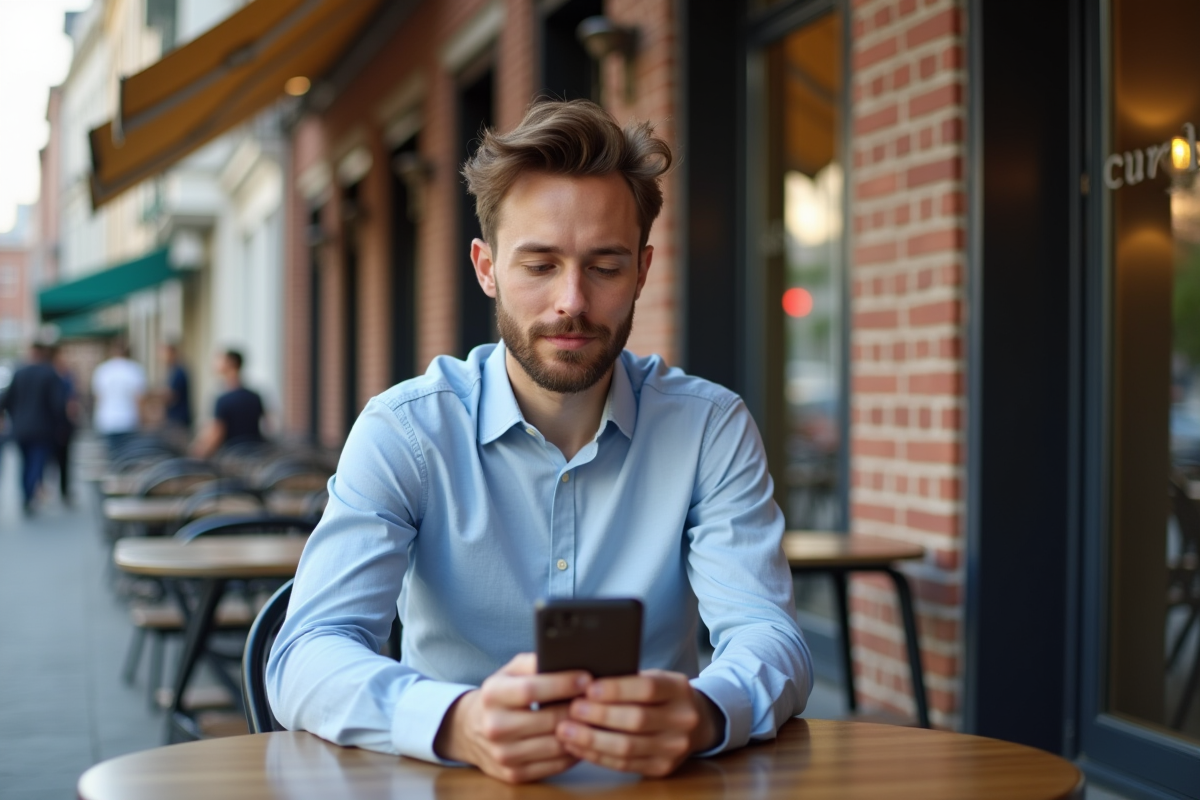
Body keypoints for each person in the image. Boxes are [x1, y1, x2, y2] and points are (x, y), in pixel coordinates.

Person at [267, 100, 812, 784]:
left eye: (605, 266)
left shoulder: (710, 428)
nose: (572, 302)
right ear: (486, 267)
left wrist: (705, 712)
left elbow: (771, 637)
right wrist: (456, 722)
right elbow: (306, 653)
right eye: (540, 265)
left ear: (643, 270)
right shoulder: (405, 430)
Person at [0, 342, 66, 514]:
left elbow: (6, 400)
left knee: (24, 463)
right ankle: (29, 495)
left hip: (21, 428)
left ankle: (25, 495)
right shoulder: (49, 374)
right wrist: (61, 425)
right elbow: (57, 404)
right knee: (36, 462)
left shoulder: (19, 373)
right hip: (43, 428)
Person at [190, 349, 265, 458]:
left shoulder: (223, 399)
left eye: (221, 360)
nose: (216, 364)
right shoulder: (255, 396)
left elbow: (217, 433)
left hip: (232, 457)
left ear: (230, 364)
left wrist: (199, 452)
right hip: (255, 455)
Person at [92, 342, 146, 455]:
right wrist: (142, 419)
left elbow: (98, 397)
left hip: (108, 419)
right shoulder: (134, 370)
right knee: (127, 456)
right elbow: (139, 399)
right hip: (128, 419)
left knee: (113, 457)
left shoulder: (103, 370)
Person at [51, 346, 80, 505]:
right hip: (53, 425)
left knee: (64, 459)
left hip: (62, 425)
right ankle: (45, 489)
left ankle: (64, 489)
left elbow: (72, 401)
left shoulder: (67, 377)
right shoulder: (53, 377)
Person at [161, 342, 193, 432]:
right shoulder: (172, 370)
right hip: (175, 418)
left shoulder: (178, 371)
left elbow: (172, 395)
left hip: (178, 420)